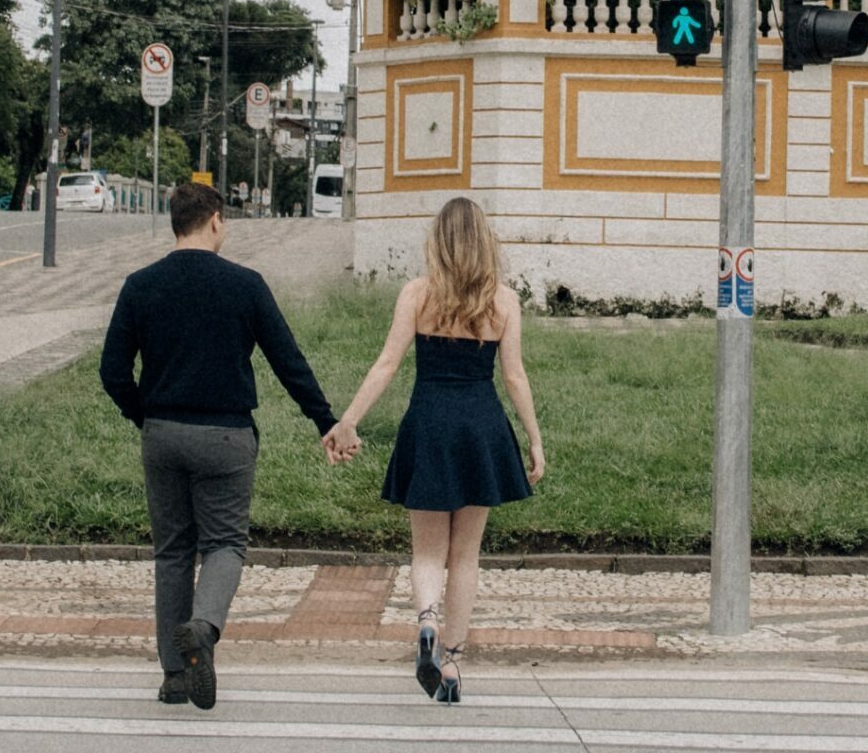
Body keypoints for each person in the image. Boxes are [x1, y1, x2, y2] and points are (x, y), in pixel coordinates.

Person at [99, 182, 337, 712]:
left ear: (175, 224)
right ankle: (203, 629)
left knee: (172, 553)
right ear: (214, 221)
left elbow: (112, 371)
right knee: (225, 544)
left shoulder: (141, 285)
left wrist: (146, 416)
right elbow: (288, 361)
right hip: (227, 437)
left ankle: (174, 677)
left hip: (162, 435)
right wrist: (325, 420)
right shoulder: (245, 284)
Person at [324, 196, 545, 705]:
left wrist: (349, 420)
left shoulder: (417, 295)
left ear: (438, 243)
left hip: (428, 424)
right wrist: (533, 438)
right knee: (464, 556)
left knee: (427, 551)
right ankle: (451, 663)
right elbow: (514, 376)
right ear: (485, 243)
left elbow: (387, 363)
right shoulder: (504, 302)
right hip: (481, 427)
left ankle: (426, 622)